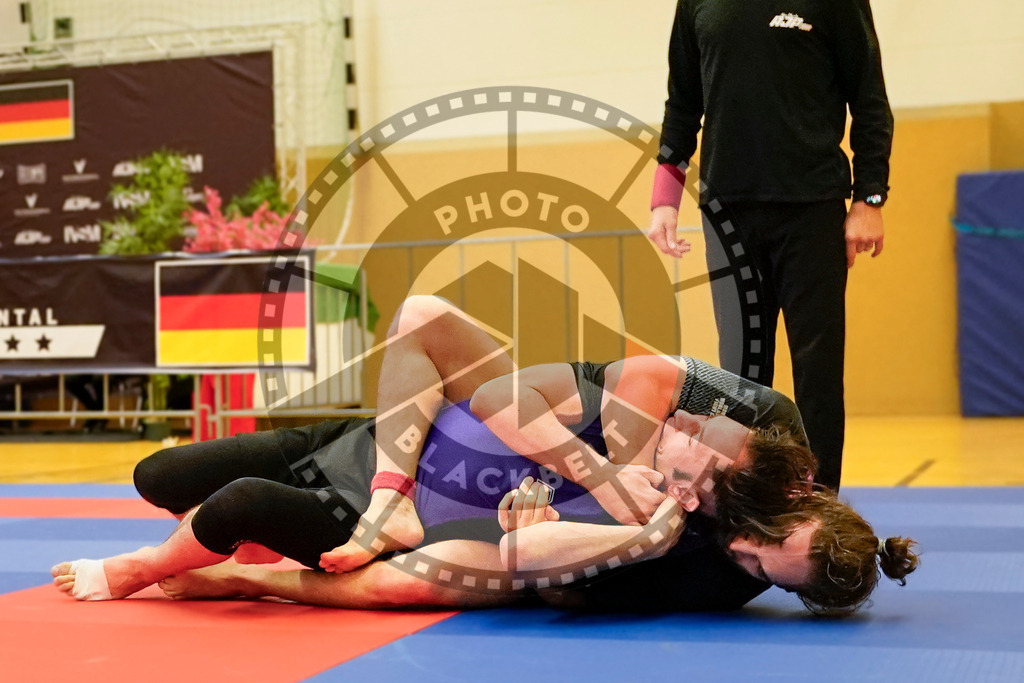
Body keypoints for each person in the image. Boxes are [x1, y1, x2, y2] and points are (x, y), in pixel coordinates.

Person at [52, 296, 915, 614]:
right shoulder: (723, 426)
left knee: (241, 511)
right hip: (382, 447)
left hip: (434, 520)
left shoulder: (695, 554)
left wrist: (623, 536)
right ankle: (337, 508)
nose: (745, 555)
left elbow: (521, 559)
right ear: (800, 484)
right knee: (156, 476)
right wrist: (609, 465)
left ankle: (231, 569)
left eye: (763, 566)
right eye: (695, 443)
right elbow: (635, 379)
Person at [647, 0, 894, 491]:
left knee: (817, 371)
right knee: (740, 371)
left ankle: (820, 502)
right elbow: (682, 102)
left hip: (812, 206)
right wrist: (664, 198)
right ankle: (747, 501)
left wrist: (869, 197)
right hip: (727, 211)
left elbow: (868, 98)